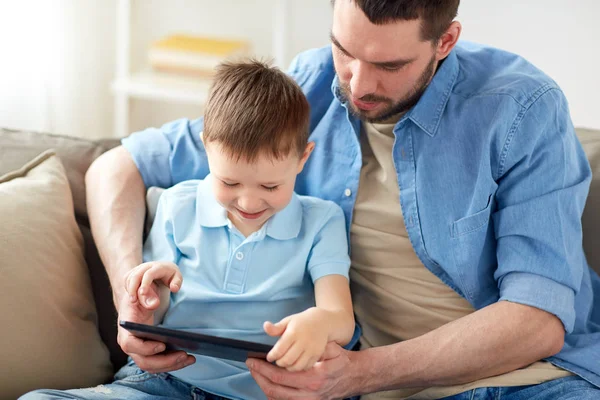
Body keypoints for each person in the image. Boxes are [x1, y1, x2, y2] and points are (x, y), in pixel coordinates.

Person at [32, 0, 600, 399]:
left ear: (444, 42)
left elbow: (539, 318)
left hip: (529, 383)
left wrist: (357, 374)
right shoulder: (309, 86)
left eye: (389, 65)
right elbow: (117, 166)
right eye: (345, 50)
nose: (355, 85)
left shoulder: (522, 109)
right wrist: (129, 296)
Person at [21, 61, 356, 400]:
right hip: (164, 383)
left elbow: (340, 318)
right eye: (229, 181)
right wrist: (146, 299)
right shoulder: (178, 205)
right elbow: (156, 309)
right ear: (206, 146)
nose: (249, 201)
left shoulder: (321, 222)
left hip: (267, 392)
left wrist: (319, 324)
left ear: (303, 158)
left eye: (270, 186)